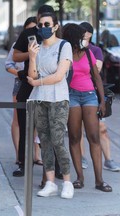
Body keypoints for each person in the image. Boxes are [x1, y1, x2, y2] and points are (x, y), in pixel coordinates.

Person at [27, 12, 74, 199]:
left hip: (59, 99)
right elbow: (32, 74)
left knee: (57, 140)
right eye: (40, 24)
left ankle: (68, 181)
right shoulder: (38, 48)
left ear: (55, 26)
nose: (43, 27)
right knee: (44, 140)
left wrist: (37, 83)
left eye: (47, 23)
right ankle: (50, 181)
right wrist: (32, 57)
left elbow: (58, 76)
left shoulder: (64, 46)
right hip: (40, 99)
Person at [62, 23, 112, 192]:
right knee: (74, 137)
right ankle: (79, 178)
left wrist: (102, 101)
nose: (84, 40)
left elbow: (97, 78)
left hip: (90, 95)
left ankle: (99, 181)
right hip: (71, 96)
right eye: (81, 37)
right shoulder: (65, 54)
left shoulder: (88, 53)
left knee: (94, 137)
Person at [12, 4, 55, 177]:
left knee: (52, 128)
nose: (44, 25)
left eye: (48, 21)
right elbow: (15, 55)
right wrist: (30, 54)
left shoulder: (59, 37)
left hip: (51, 85)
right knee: (24, 126)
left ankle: (55, 167)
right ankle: (23, 162)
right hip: (29, 83)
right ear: (37, 18)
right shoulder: (28, 34)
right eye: (41, 20)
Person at [79, 21, 120, 172]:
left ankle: (108, 160)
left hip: (94, 93)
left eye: (83, 32)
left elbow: (96, 69)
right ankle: (82, 157)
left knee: (101, 127)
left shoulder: (95, 50)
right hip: (76, 92)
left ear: (89, 34)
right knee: (79, 128)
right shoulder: (72, 49)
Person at [5, 16, 38, 165]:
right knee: (18, 120)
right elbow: (8, 64)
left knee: (37, 121)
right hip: (20, 82)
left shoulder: (43, 43)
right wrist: (18, 73)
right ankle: (20, 155)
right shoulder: (17, 45)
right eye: (29, 28)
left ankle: (36, 155)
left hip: (37, 83)